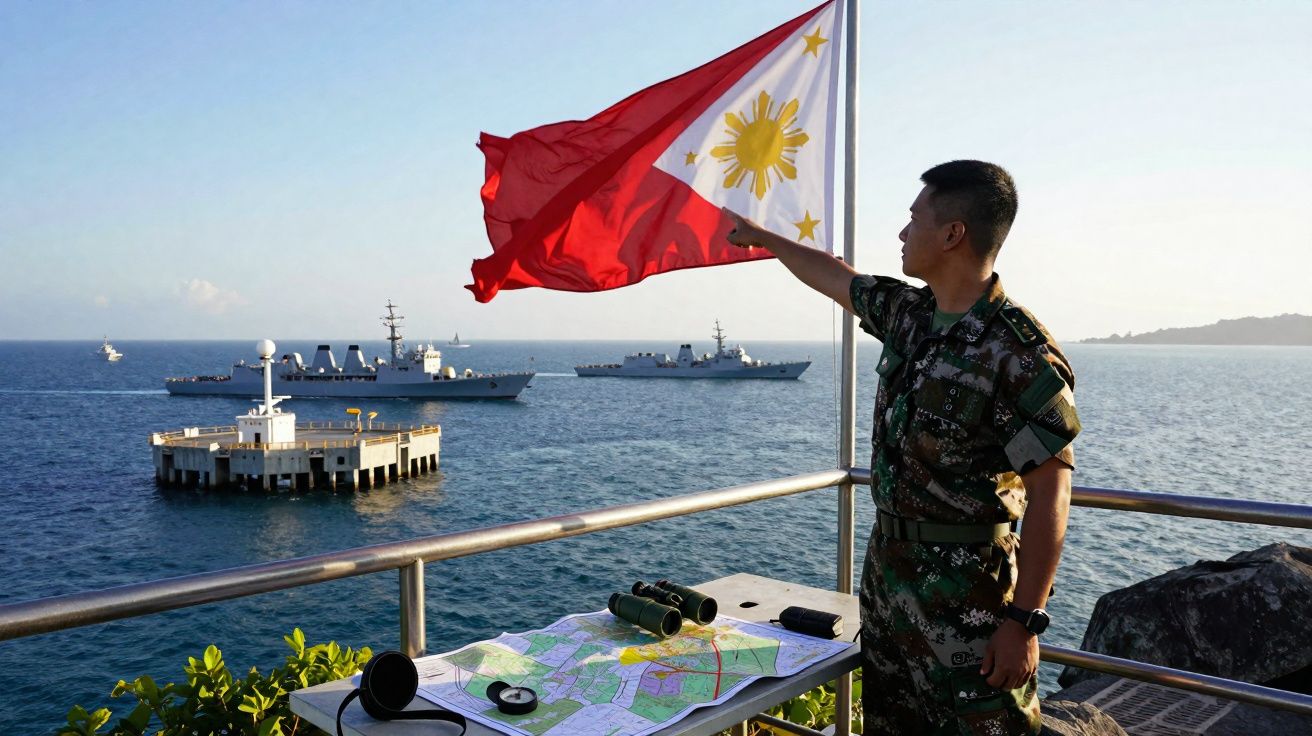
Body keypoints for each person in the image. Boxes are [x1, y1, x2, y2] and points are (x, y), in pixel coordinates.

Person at [724, 160, 1080, 735]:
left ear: (952, 234)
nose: (901, 232)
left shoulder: (1016, 351)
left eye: (914, 218)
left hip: (972, 603)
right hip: (890, 584)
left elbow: (1051, 492)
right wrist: (761, 238)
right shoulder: (912, 317)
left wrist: (1024, 622)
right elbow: (835, 276)